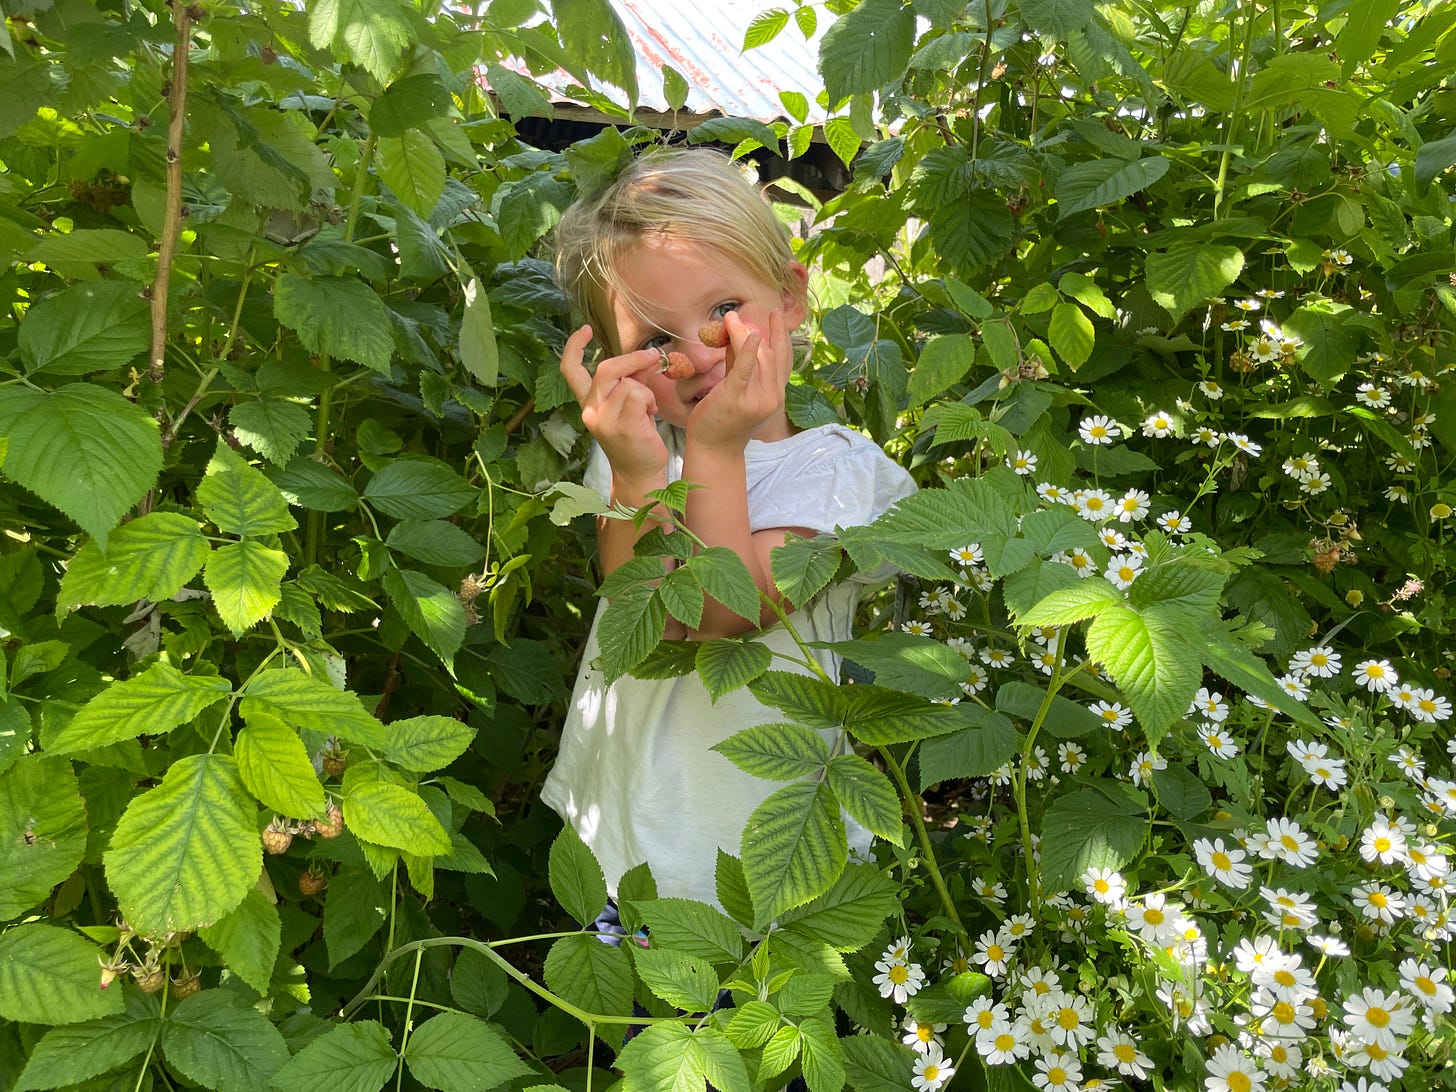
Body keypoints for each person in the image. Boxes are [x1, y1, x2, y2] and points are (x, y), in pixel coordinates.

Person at [542, 147, 916, 912]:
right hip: (622, 827)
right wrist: (641, 472)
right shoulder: (638, 452)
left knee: (741, 1028)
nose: (697, 351)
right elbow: (637, 607)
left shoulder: (836, 470)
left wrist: (714, 447)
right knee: (622, 1021)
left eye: (721, 310)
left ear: (791, 298)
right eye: (652, 342)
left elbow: (721, 612)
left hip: (753, 854)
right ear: (614, 359)